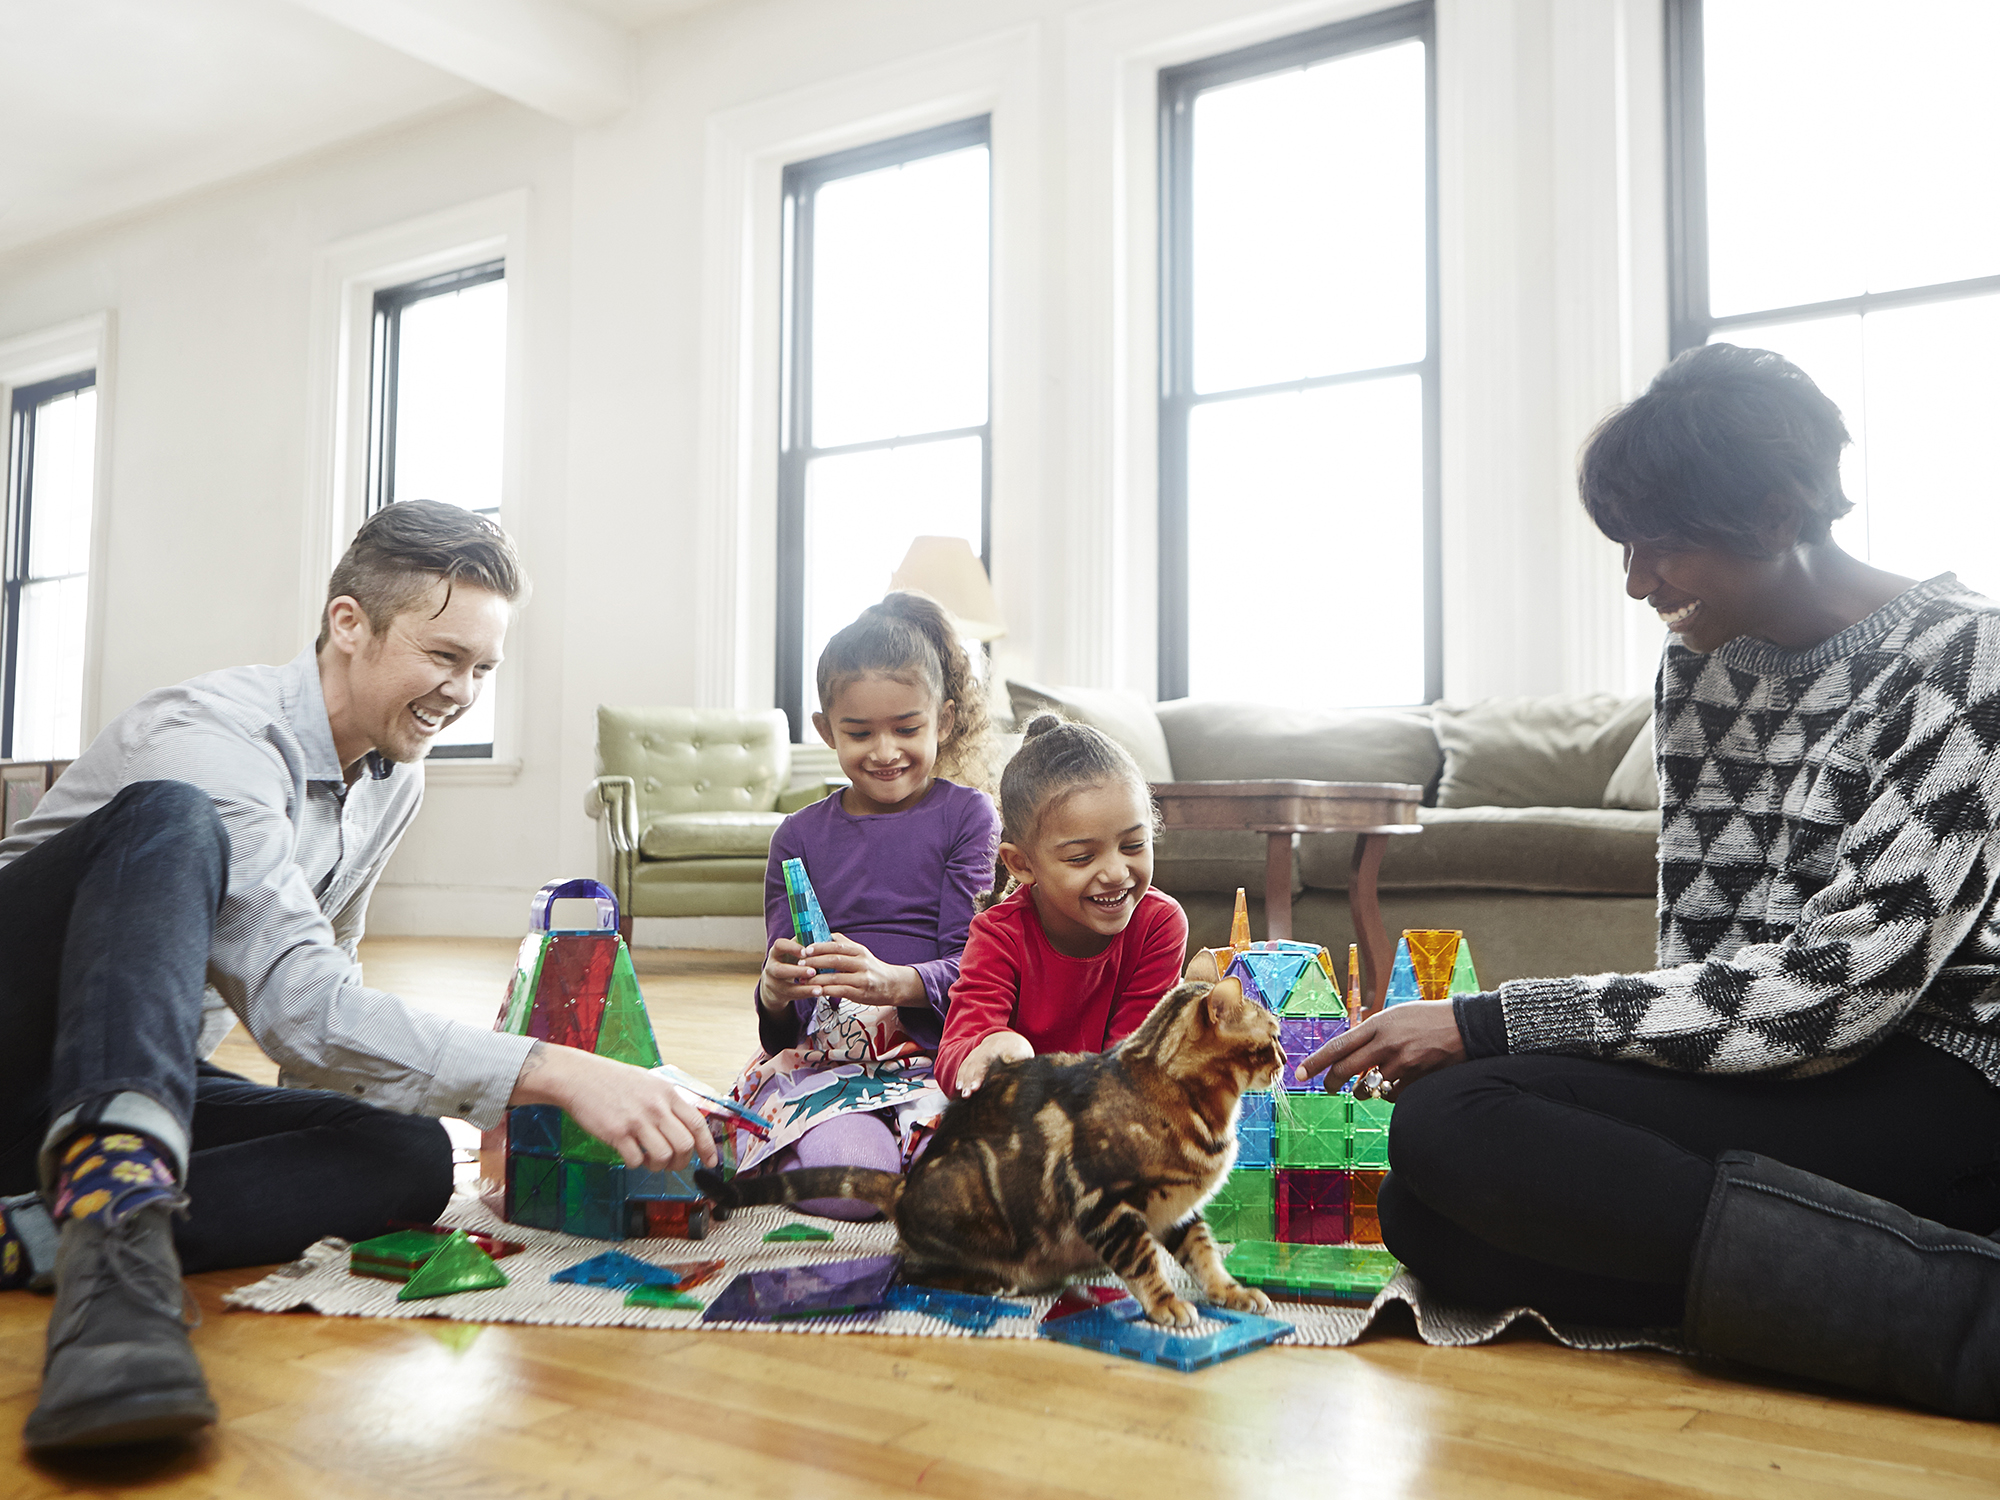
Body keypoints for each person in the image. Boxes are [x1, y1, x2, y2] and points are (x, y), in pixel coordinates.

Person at [1296, 344, 2000, 1419]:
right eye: (1626, 546)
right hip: (1775, 1065)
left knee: (1458, 1123)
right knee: (1423, 1210)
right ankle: (1851, 1285)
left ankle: (1963, 1320)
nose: (1636, 582)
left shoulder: (1965, 665)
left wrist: (1494, 1022)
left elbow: (1844, 989)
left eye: (1663, 546)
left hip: (1934, 1074)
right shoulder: (1699, 662)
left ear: (1774, 517)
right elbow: (1701, 958)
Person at [1, 500, 717, 1452]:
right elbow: (300, 1005)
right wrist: (549, 1069)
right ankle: (114, 1260)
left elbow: (327, 982)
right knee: (167, 818)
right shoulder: (212, 740)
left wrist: (490, 1119)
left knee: (408, 1159)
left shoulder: (392, 776)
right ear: (349, 622)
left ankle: (34, 1229)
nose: (462, 691)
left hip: (106, 1092)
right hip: (26, 1041)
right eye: (443, 655)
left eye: (482, 669)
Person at [734, 593, 1000, 1217]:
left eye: (907, 728)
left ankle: (868, 1149)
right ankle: (796, 1144)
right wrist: (776, 991)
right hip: (832, 1062)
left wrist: (894, 982)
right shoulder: (796, 837)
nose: (884, 751)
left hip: (941, 1056)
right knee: (853, 1192)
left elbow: (976, 966)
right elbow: (779, 1018)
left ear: (946, 720)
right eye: (859, 732)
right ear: (827, 731)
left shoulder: (968, 816)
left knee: (975, 1190)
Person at [936, 715, 1189, 1099]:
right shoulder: (998, 934)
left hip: (1107, 1115)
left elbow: (1133, 1064)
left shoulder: (1159, 924)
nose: (1117, 872)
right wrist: (989, 1050)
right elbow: (955, 1054)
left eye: (1134, 845)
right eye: (1082, 857)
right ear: (1021, 864)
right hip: (1020, 1117)